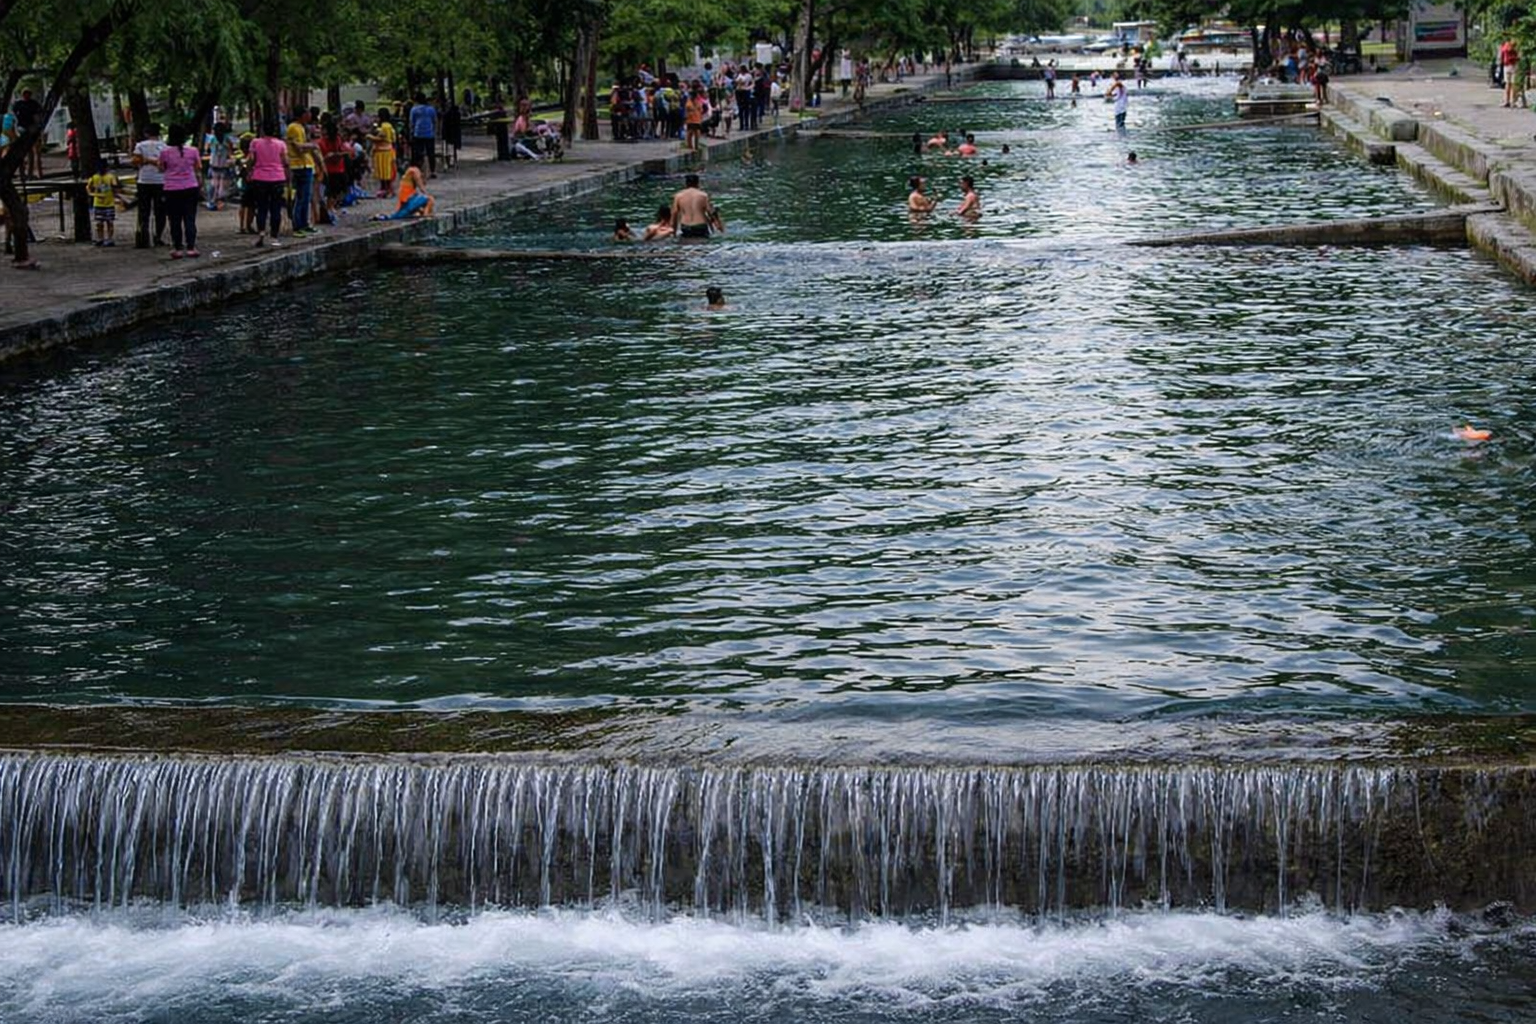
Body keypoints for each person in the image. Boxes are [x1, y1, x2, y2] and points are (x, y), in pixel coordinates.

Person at [158, 123, 204, 258]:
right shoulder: (193, 151)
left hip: (171, 189)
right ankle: (191, 247)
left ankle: (177, 248)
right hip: (190, 186)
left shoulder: (165, 152)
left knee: (174, 220)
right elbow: (198, 168)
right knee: (190, 218)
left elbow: (161, 169)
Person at [247, 120, 288, 247]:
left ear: (262, 130)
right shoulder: (281, 144)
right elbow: (285, 162)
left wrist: (249, 172)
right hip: (278, 177)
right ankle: (274, 236)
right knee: (276, 207)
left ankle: (261, 233)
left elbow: (251, 160)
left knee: (262, 207)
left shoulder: (255, 142)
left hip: (260, 178)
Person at [285, 107, 321, 235]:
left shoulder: (302, 127)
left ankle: (304, 223)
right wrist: (312, 145)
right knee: (300, 196)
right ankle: (297, 225)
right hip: (298, 165)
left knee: (306, 196)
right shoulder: (293, 128)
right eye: (307, 113)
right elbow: (299, 147)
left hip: (306, 164)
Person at [131, 122, 168, 248]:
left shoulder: (140, 146)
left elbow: (135, 161)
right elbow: (166, 164)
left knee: (143, 211)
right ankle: (158, 237)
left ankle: (142, 238)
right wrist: (154, 161)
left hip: (144, 180)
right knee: (160, 211)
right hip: (160, 181)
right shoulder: (165, 147)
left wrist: (145, 160)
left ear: (146, 133)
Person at [670, 172, 719, 239]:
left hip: (686, 226)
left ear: (686, 183)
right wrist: (716, 226)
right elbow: (710, 212)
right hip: (700, 225)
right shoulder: (704, 195)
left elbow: (674, 214)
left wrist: (674, 232)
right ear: (697, 183)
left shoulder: (678, 196)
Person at [86, 158, 121, 246]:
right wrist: (93, 194)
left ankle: (109, 239)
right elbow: (88, 187)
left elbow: (115, 186)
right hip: (98, 203)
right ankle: (100, 238)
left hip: (109, 203)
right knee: (99, 222)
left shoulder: (110, 177)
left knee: (109, 222)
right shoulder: (94, 177)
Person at [11, 89, 42, 177]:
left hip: (31, 127)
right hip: (21, 127)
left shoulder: (33, 104)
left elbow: (38, 115)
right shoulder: (18, 104)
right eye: (25, 94)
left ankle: (30, 173)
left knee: (32, 151)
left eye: (28, 94)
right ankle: (22, 173)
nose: (26, 95)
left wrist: (37, 126)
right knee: (22, 151)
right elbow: (14, 115)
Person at [408, 93, 438, 175]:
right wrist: (435, 131)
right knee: (431, 153)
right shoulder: (431, 109)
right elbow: (435, 121)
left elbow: (411, 122)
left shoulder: (414, 109)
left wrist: (411, 132)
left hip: (418, 133)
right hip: (429, 133)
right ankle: (432, 171)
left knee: (418, 153)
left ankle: (419, 170)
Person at [370, 111, 397, 196]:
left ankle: (386, 189)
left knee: (384, 171)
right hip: (387, 150)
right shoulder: (389, 126)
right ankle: (387, 188)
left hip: (383, 151)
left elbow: (381, 137)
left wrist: (370, 137)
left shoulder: (384, 126)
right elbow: (393, 139)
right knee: (386, 170)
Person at [1501, 36, 1521, 107]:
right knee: (1513, 84)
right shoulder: (1515, 48)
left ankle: (1507, 101)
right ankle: (1513, 102)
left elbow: (1502, 54)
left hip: (1506, 66)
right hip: (1513, 66)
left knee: (1508, 84)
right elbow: (1518, 57)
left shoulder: (1504, 46)